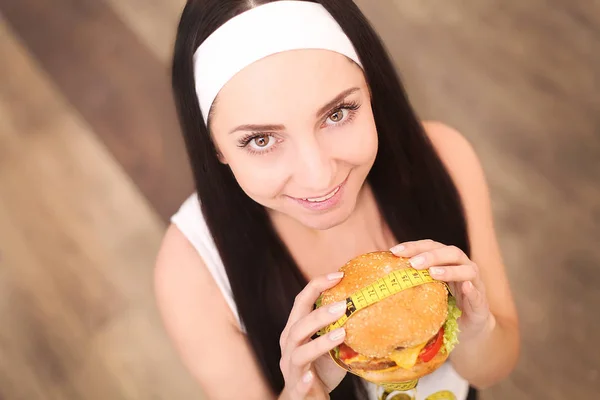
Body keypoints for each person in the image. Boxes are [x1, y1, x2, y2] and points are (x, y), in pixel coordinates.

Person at [153, 1, 520, 399]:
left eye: (338, 113)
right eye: (261, 140)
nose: (319, 176)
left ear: (370, 89)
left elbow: (490, 370)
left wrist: (477, 329)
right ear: (215, 148)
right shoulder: (191, 274)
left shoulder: (445, 157)